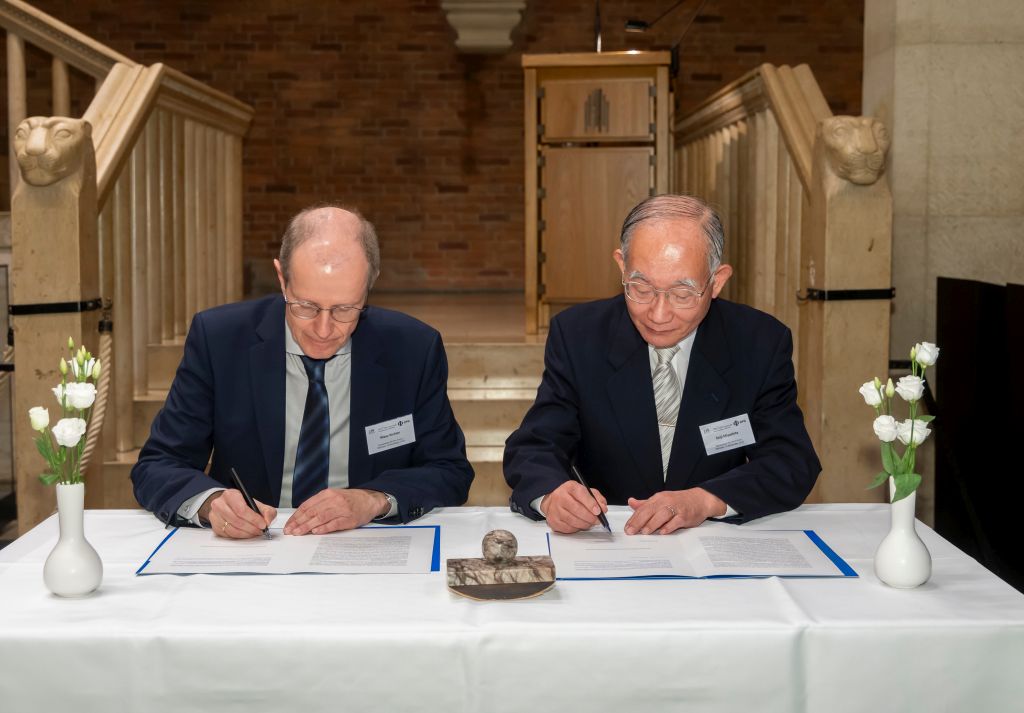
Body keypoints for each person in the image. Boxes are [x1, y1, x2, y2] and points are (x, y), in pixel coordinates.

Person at [132, 205, 474, 538]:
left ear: (369, 285)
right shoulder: (220, 340)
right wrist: (212, 503)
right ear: (282, 279)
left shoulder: (412, 349)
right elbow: (158, 464)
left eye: (345, 309)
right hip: (254, 547)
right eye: (306, 306)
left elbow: (449, 470)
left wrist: (373, 500)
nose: (323, 330)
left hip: (361, 543)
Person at [503, 194, 820, 535]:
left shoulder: (759, 342)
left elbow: (790, 461)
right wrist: (553, 496)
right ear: (622, 266)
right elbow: (535, 445)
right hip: (611, 538)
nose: (658, 314)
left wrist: (705, 500)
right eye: (641, 289)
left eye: (682, 294)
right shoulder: (579, 335)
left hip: (711, 538)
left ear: (717, 281)